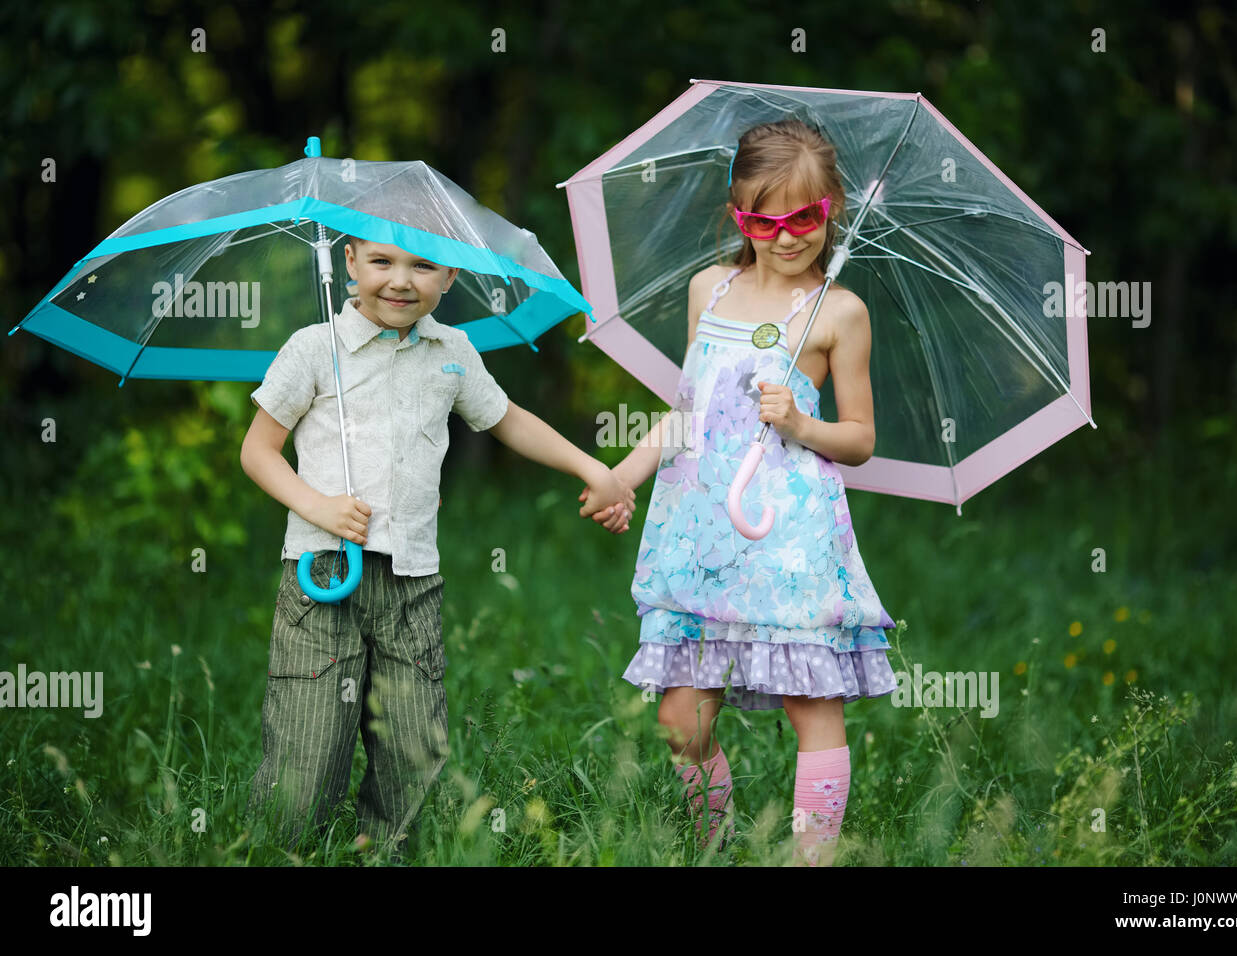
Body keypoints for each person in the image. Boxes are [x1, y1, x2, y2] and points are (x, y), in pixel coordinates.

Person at [240, 235, 634, 853]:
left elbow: (506, 418)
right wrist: (317, 506)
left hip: (411, 580)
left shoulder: (453, 351)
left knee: (412, 745)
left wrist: (591, 467)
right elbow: (257, 451)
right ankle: (284, 853)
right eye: (381, 262)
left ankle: (385, 852)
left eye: (423, 266)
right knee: (309, 745)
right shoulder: (316, 349)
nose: (401, 280)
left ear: (449, 275)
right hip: (322, 575)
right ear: (348, 263)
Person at [586, 118, 900, 866]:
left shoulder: (839, 311)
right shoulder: (710, 288)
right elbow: (687, 410)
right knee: (682, 720)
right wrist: (620, 477)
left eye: (805, 219)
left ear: (832, 211)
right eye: (765, 220)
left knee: (810, 703)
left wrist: (800, 422)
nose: (786, 237)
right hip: (701, 528)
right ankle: (712, 843)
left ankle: (809, 859)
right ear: (739, 217)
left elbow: (860, 438)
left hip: (789, 536)